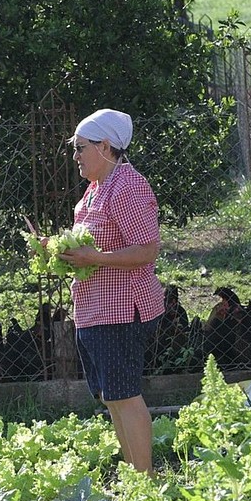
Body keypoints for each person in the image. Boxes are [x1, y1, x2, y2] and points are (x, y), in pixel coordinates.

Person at [54, 108, 165, 475]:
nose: (75, 156)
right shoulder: (96, 189)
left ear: (104, 146)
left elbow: (147, 249)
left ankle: (145, 480)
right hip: (95, 310)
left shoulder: (126, 186)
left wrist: (95, 258)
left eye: (80, 148)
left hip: (121, 311)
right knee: (112, 397)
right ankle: (135, 475)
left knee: (125, 397)